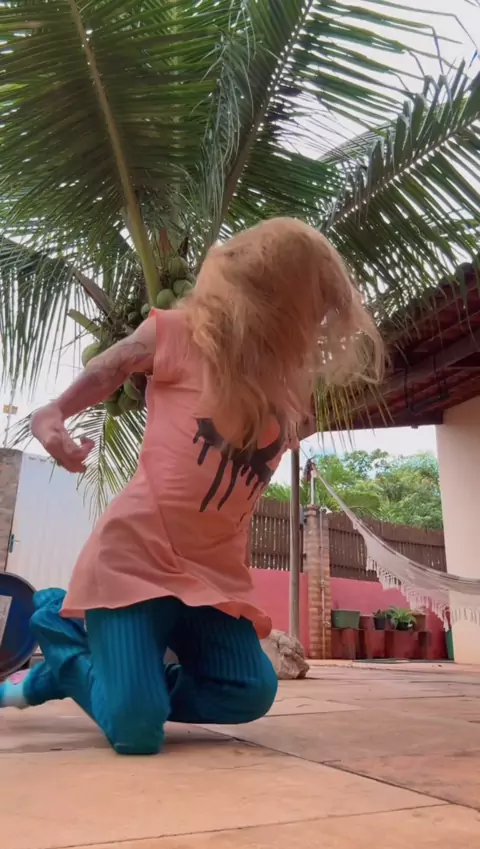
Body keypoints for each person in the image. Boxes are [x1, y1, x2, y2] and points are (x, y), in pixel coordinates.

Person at [0, 218, 382, 754]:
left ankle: (90, 679)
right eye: (308, 304)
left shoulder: (291, 395)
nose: (314, 321)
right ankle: (56, 620)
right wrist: (55, 411)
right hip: (136, 560)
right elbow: (112, 367)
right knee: (137, 733)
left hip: (213, 580)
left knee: (249, 691)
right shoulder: (183, 334)